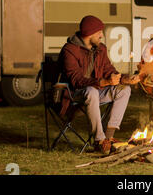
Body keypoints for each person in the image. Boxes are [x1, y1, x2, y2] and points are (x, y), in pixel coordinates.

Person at [58, 15, 140, 154]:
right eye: (99, 32)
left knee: (124, 90)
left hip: (95, 91)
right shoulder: (70, 50)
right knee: (91, 91)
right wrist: (103, 82)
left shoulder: (100, 49)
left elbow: (109, 71)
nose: (102, 35)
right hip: (73, 94)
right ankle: (98, 140)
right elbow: (76, 80)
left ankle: (108, 137)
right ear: (89, 34)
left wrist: (125, 79)